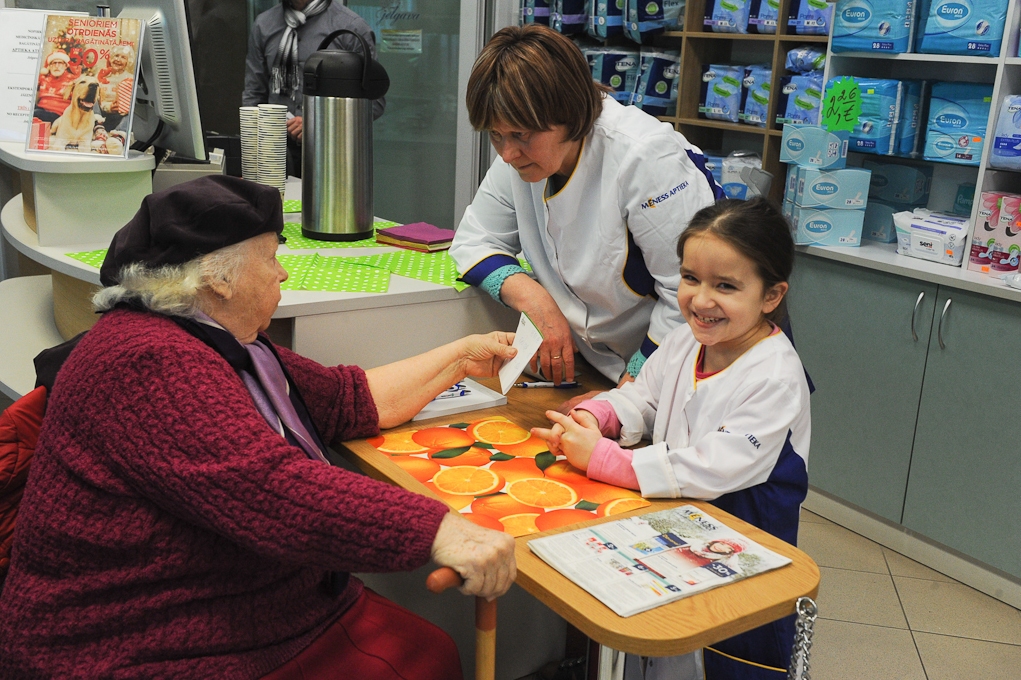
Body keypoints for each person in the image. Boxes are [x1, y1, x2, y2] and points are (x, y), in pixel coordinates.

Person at [0, 176, 516, 679]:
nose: (283, 274)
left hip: (219, 604)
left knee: (427, 647)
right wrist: (436, 528)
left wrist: (460, 356)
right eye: (271, 258)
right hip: (136, 643)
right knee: (424, 656)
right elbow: (271, 487)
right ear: (220, 278)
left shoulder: (215, 339)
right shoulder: (148, 363)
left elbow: (344, 399)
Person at [532, 198, 811, 680]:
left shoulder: (777, 376)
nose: (701, 300)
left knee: (726, 654)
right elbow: (644, 397)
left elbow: (709, 467)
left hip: (743, 543)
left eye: (725, 285)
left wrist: (603, 459)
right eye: (690, 279)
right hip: (674, 524)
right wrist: (599, 416)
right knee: (665, 641)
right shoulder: (687, 339)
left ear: (771, 295)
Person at [449, 24, 722, 394]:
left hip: (696, 365)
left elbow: (688, 294)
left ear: (570, 114)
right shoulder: (519, 158)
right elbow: (474, 240)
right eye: (496, 135)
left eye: (521, 135)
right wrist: (536, 302)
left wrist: (631, 394)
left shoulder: (643, 157)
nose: (508, 153)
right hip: (601, 367)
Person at [243, 0, 385, 176]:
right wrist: (251, 154)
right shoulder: (264, 25)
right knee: (276, 204)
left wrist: (318, 124)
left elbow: (374, 103)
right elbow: (254, 94)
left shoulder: (350, 27)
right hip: (274, 152)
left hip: (331, 156)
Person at [96, 43, 136, 132]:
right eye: (116, 56)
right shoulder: (102, 77)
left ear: (128, 61)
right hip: (103, 117)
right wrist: (108, 107)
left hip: (121, 117)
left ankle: (119, 134)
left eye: (123, 57)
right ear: (111, 58)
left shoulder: (131, 79)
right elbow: (97, 100)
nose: (118, 59)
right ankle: (98, 129)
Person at [33, 50, 75, 124]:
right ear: (49, 66)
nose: (57, 66)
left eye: (60, 63)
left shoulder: (72, 81)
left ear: (66, 66)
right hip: (41, 109)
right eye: (54, 63)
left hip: (58, 115)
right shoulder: (44, 78)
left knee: (35, 113)